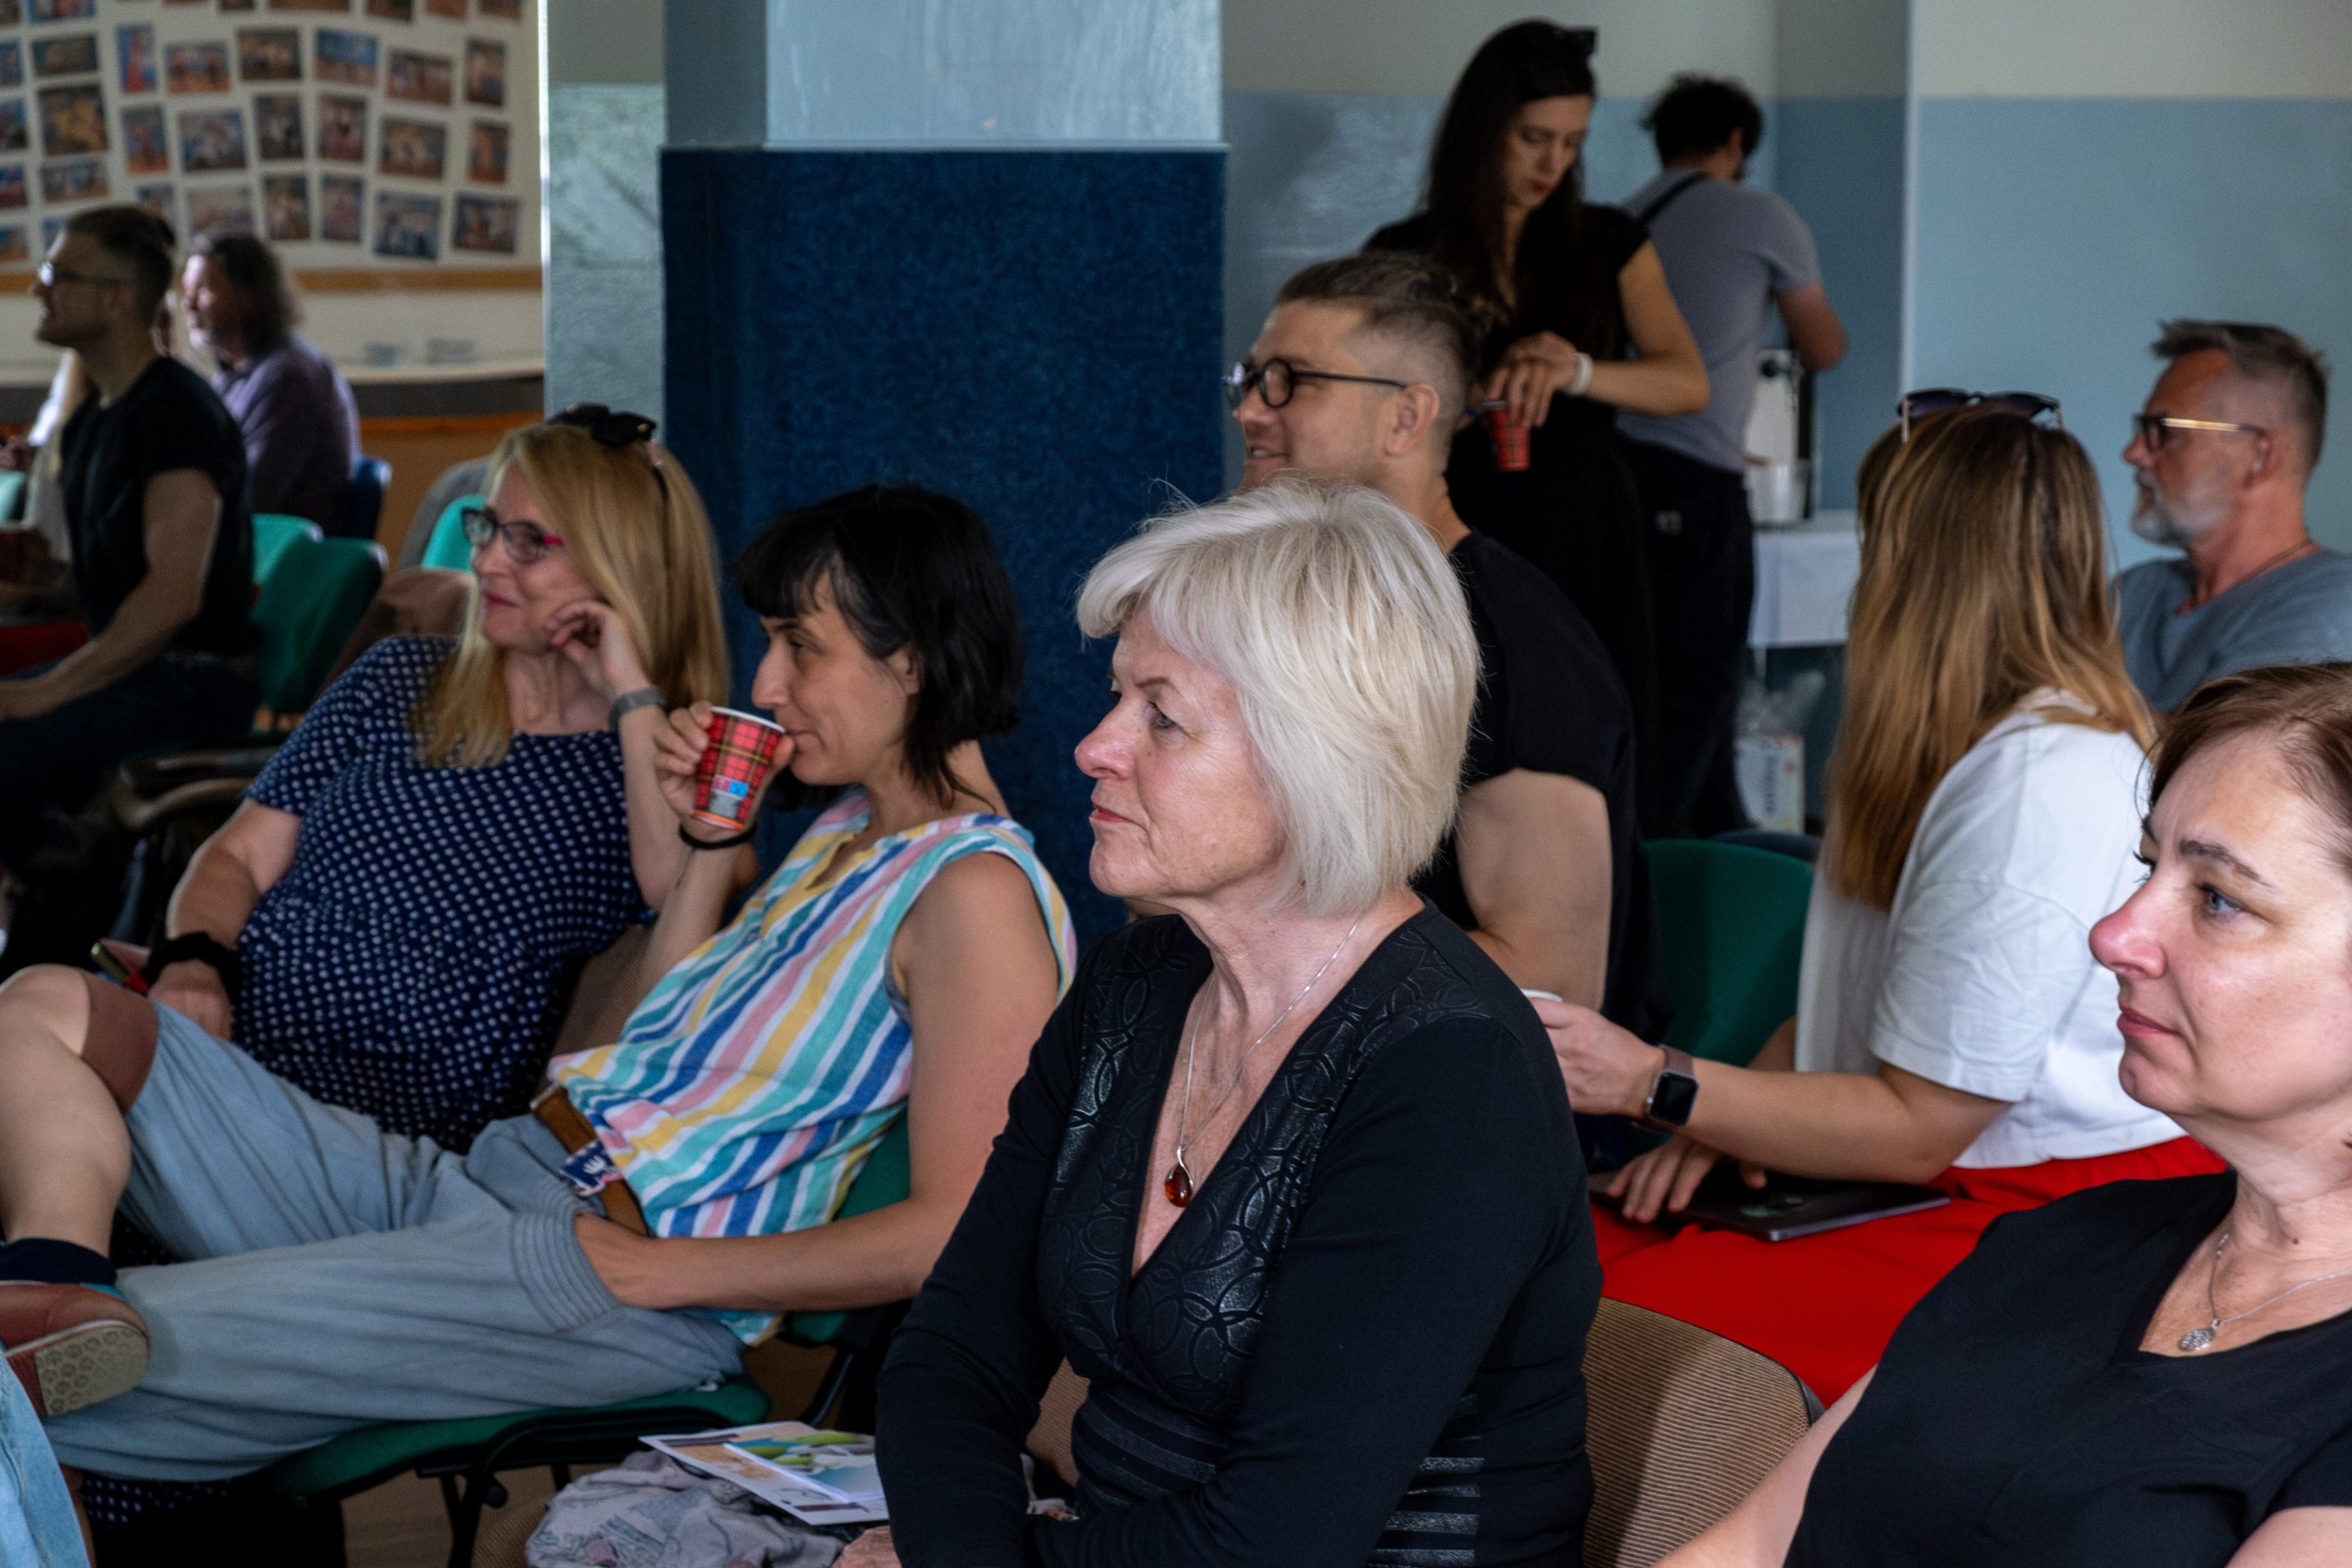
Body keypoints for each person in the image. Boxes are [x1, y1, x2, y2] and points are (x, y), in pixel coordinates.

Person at [0, 485, 1072, 1502]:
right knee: (53, 1004)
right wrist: (712, 846)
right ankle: (50, 1269)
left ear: (913, 661)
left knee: (62, 1358)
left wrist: (659, 1276)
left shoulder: (974, 892)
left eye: (801, 646)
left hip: (610, 1273)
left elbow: (957, 1232)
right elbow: (655, 1036)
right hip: (496, 1180)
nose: (767, 686)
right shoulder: (848, 833)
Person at [876, 481, 1598, 1566]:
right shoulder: (1135, 986)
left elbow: (1278, 1541)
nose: (1094, 746)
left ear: (1319, 759)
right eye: (1117, 698)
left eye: (1161, 717)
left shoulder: (1454, 1072)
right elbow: (954, 1356)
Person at [1544, 403, 2224, 1405]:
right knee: (1556, 1263)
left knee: (1607, 1326)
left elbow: (1920, 1127)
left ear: (1908, 567)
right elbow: (1848, 1015)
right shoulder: (1966, 751)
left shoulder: (2038, 785)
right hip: (1932, 1165)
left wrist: (1658, 1083)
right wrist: (1723, 1121)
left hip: (2043, 1199)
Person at [1663, 662, 2352, 1567]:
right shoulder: (2057, 1246)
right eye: (2148, 866)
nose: (2113, 935)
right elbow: (1748, 1549)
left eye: (2219, 900)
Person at [142, 407, 726, 1150]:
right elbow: (237, 855)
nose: (485, 563)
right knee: (38, 1011)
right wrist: (195, 962)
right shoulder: (400, 676)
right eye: (489, 528)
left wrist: (632, 694)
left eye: (528, 542)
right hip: (231, 1036)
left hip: (385, 1116)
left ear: (621, 564)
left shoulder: (663, 758)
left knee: (45, 1025)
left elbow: (680, 892)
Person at [1230, 251, 1668, 1047]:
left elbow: (1553, 977)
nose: (1252, 411)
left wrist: (1264, 957)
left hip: (1483, 1093)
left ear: (1407, 417)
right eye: (1252, 379)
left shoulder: (1508, 644)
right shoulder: (1320, 620)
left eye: (1292, 381)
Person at [1367, 20, 1708, 831]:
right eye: (1533, 139)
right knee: (1464, 722)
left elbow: (1686, 381)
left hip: (1589, 521)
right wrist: (1463, 400)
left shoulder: (1608, 241)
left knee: (1598, 713)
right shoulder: (1407, 253)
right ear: (1484, 132)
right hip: (1461, 516)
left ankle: (1606, 883)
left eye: (1571, 144)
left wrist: (1578, 371)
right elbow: (1373, 409)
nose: (1552, 164)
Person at [0, 208, 254, 953]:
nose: (40, 290)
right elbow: (112, 582)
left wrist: (46, 691)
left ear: (117, 298)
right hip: (136, 670)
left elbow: (173, 596)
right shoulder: (94, 420)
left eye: (59, 275)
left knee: (13, 750)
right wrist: (37, 588)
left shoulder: (175, 412)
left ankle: (45, 953)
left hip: (188, 682)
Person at [1618, 74, 1847, 838]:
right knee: (1704, 682)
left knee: (1651, 680)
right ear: (1737, 142)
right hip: (1698, 477)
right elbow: (1823, 347)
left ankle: (1711, 836)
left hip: (1618, 476)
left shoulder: (1623, 218)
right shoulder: (1762, 216)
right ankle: (1670, 858)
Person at [2114, 320, 2352, 714]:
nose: (2133, 453)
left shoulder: (2336, 604)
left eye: (2164, 430)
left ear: (2261, 457)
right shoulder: (2136, 591)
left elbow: (2221, 750)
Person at [182, 234, 363, 537]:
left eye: (203, 289)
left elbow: (250, 499)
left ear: (248, 297)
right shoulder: (235, 375)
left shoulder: (287, 377)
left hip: (288, 553)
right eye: (187, 290)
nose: (188, 305)